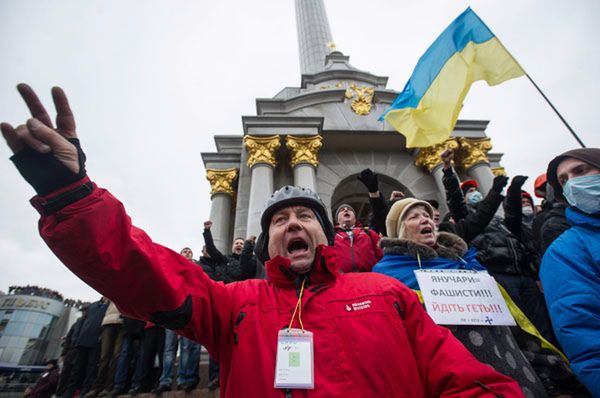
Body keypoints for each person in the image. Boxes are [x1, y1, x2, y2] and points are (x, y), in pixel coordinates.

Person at [2, 84, 523, 397]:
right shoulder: (233, 305)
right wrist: (70, 194)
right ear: (266, 240)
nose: (293, 224)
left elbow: (470, 380)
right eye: (280, 219)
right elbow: (140, 270)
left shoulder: (390, 297)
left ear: (327, 233)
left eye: (305, 215)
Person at [372, 198, 548, 397]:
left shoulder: (466, 261)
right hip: (456, 374)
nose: (425, 220)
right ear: (399, 230)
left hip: (511, 360)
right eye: (414, 217)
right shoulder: (387, 273)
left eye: (427, 216)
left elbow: (512, 320)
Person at [541, 148, 600, 397]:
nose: (573, 183)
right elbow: (587, 343)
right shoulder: (564, 252)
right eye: (564, 180)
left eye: (581, 170)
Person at [333, 203, 382, 272]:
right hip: (342, 279)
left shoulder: (369, 233)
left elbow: (381, 255)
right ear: (337, 220)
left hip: (369, 277)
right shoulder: (331, 236)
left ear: (355, 218)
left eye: (349, 210)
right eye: (342, 210)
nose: (346, 210)